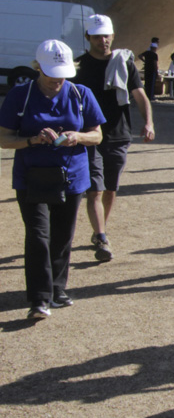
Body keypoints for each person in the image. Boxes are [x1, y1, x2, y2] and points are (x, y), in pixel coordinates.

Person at [0, 40, 105, 319]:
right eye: (50, 74)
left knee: (62, 236)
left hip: (71, 176)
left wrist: (77, 136)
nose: (57, 80)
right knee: (38, 236)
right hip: (31, 177)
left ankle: (58, 289)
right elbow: (4, 138)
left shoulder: (81, 94)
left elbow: (97, 134)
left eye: (62, 74)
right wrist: (32, 140)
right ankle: (39, 299)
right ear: (38, 69)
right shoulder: (19, 95)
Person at [71, 14, 155, 262]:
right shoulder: (78, 65)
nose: (103, 40)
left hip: (118, 133)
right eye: (97, 36)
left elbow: (139, 95)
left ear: (113, 36)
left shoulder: (123, 63)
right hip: (89, 135)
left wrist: (148, 122)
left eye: (106, 35)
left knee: (110, 188)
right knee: (94, 190)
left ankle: (100, 229)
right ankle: (101, 235)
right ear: (88, 38)